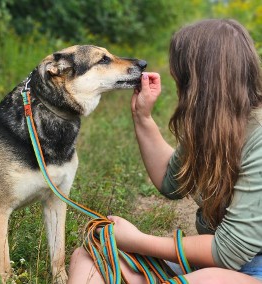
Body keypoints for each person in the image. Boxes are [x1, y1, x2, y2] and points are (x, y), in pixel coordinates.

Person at [68, 19, 262, 283]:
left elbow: (230, 251)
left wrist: (138, 241)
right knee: (90, 257)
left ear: (202, 83)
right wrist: (142, 116)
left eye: (181, 77)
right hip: (213, 265)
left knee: (206, 279)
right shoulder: (212, 124)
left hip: (249, 268)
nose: (176, 82)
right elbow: (172, 182)